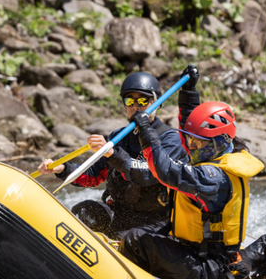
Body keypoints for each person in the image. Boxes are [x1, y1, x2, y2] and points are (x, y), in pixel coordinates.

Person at [120, 101, 265, 279]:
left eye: (199, 142)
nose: (192, 146)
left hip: (208, 272)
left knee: (136, 240)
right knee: (146, 231)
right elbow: (195, 125)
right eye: (190, 139)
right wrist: (189, 92)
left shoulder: (214, 177)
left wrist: (145, 130)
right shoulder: (218, 157)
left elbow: (167, 172)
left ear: (220, 141)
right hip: (202, 259)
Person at [36, 69, 191, 239]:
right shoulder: (118, 137)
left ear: (156, 102)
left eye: (142, 100)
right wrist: (62, 168)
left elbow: (149, 174)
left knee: (128, 238)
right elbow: (93, 175)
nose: (135, 106)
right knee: (83, 211)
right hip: (118, 213)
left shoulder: (170, 139)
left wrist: (112, 154)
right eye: (129, 100)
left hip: (152, 223)